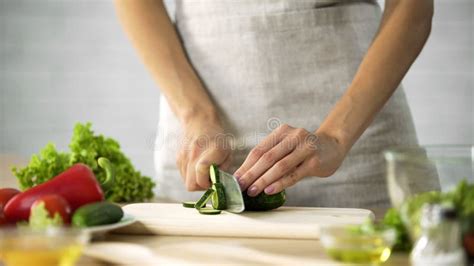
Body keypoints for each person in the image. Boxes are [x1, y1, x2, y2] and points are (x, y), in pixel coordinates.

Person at [115, 0, 435, 210]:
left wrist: (336, 137)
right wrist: (195, 114)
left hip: (358, 139)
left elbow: (413, 8)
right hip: (202, 141)